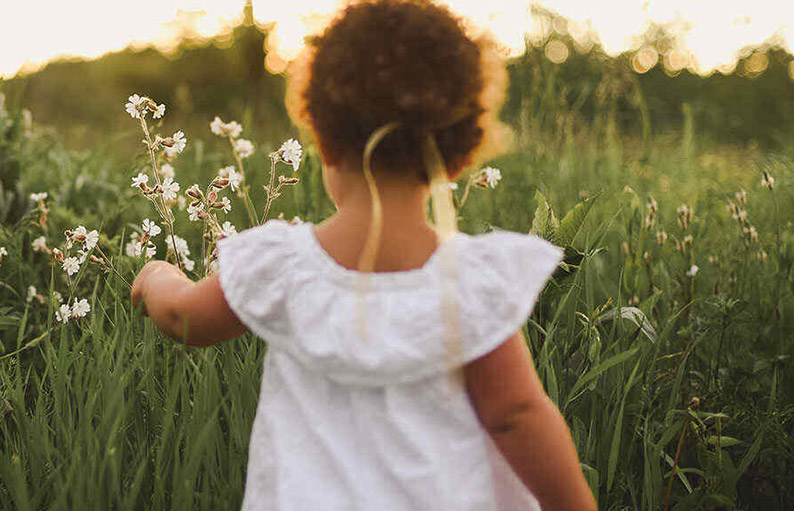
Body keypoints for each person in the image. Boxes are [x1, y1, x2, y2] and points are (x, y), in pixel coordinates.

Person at [131, 1, 597, 509]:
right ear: (456, 152)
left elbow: (185, 318)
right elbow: (517, 414)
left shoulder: (283, 264)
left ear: (323, 136)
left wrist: (156, 276)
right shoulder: (468, 282)